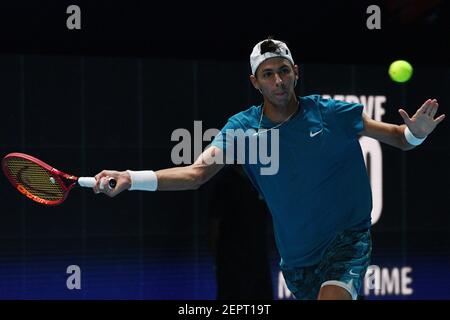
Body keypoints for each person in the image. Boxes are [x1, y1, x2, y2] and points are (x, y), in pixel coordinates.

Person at [93, 37, 445, 300]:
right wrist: (129, 178)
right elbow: (195, 174)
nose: (278, 80)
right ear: (255, 82)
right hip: (296, 259)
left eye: (283, 71)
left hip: (347, 240)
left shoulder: (331, 113)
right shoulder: (243, 129)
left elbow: (399, 138)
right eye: (268, 74)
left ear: (296, 74)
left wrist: (416, 133)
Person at [207, 165, 273, 300]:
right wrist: (216, 259)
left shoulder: (259, 179)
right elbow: (214, 223)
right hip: (231, 259)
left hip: (258, 258)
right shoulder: (224, 181)